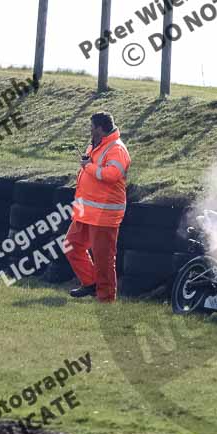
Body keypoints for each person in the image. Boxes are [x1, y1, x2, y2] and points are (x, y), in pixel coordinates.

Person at [65, 112, 130, 302]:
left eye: (92, 127)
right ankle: (91, 283)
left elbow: (112, 175)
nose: (89, 130)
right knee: (71, 245)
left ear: (101, 129)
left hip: (104, 213)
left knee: (104, 259)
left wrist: (88, 167)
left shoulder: (117, 149)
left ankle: (106, 298)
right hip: (87, 212)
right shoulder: (96, 144)